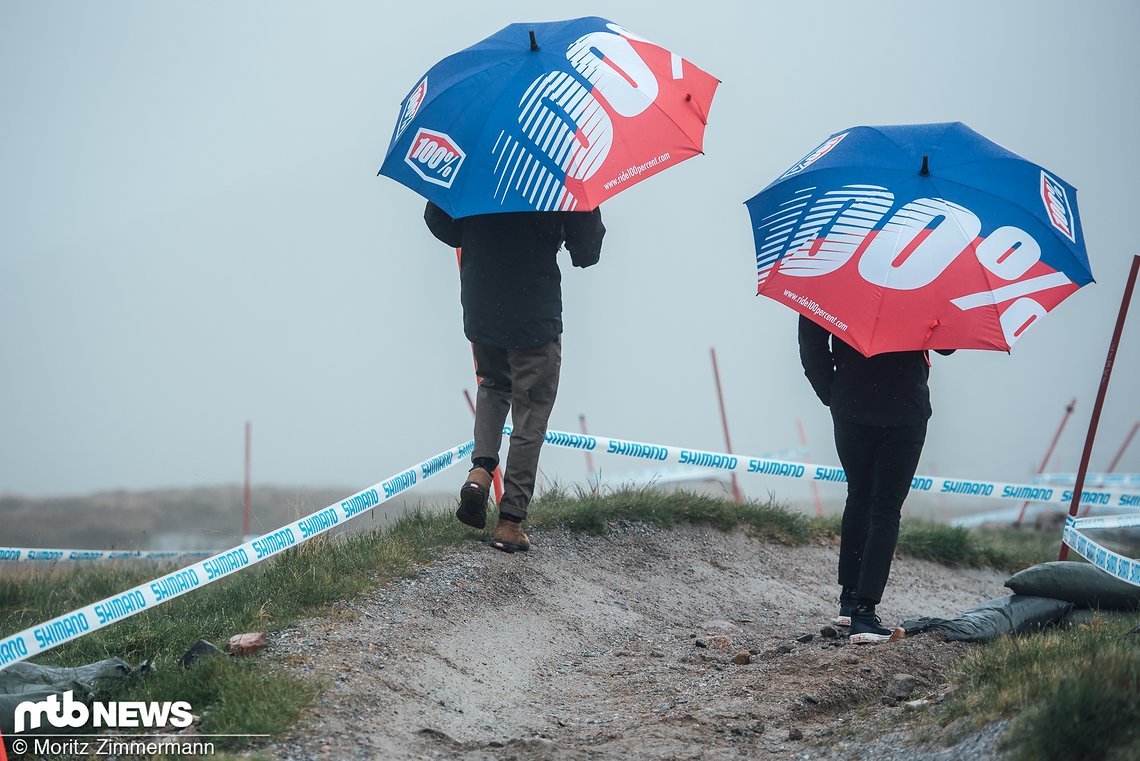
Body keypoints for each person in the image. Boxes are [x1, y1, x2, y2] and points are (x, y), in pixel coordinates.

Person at [424, 202, 605, 553]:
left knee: (492, 385)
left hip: (482, 301)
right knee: (531, 412)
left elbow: (440, 221)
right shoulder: (557, 168)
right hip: (534, 312)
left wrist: (479, 234)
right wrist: (583, 213)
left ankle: (479, 472)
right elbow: (587, 252)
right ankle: (510, 521)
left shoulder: (479, 155)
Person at [798, 315, 953, 644]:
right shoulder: (927, 274)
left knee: (859, 497)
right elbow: (948, 346)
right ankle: (864, 617)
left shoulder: (836, 272)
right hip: (905, 409)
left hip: (852, 405)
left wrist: (834, 393)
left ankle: (850, 599)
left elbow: (811, 343)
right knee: (885, 509)